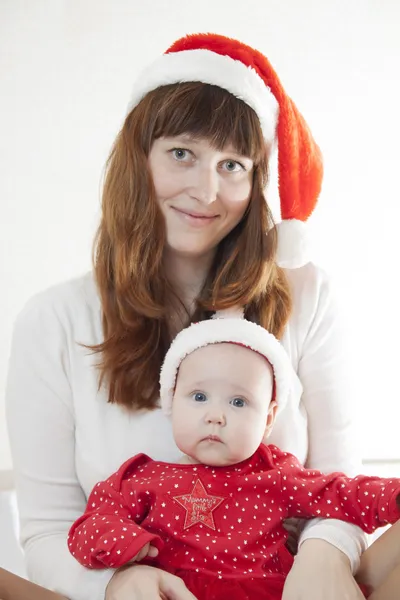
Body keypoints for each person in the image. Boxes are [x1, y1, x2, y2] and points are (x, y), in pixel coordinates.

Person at [5, 31, 376, 600]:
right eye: (183, 153)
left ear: (256, 182)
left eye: (233, 164)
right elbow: (51, 529)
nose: (207, 191)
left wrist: (324, 557)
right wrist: (115, 581)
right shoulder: (54, 321)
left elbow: (340, 485)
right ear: (139, 158)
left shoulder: (308, 296)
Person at [66, 315, 400, 600]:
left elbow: (340, 491)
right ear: (172, 403)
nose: (215, 415)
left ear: (268, 420)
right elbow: (93, 521)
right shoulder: (140, 478)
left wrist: (393, 495)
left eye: (238, 402)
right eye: (199, 396)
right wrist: (124, 544)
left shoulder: (274, 473)